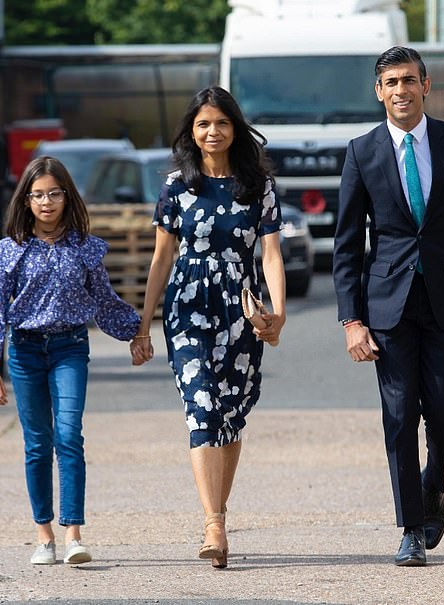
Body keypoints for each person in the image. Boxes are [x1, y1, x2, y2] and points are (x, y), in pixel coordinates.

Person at [332, 46, 444, 567]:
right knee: (398, 413)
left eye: (409, 80)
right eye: (391, 82)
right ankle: (411, 527)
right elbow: (346, 245)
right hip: (386, 306)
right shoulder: (361, 151)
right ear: (379, 92)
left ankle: (434, 484)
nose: (401, 90)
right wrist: (351, 320)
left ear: (426, 86)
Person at [130, 86, 286, 569]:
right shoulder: (177, 186)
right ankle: (213, 524)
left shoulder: (257, 185)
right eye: (202, 124)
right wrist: (143, 325)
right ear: (191, 133)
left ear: (234, 128)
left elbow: (272, 254)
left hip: (240, 307)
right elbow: (161, 258)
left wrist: (276, 314)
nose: (212, 131)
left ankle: (219, 510)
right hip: (187, 304)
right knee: (203, 407)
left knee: (232, 413)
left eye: (220, 123)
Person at [0, 156, 140, 565]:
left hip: (70, 348)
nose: (47, 202)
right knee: (38, 444)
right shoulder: (10, 252)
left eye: (54, 193)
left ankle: (73, 534)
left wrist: (139, 332)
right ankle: (43, 536)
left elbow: (105, 302)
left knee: (68, 436)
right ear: (26, 200)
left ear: (67, 196)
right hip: (24, 352)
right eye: (38, 194)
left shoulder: (85, 248)